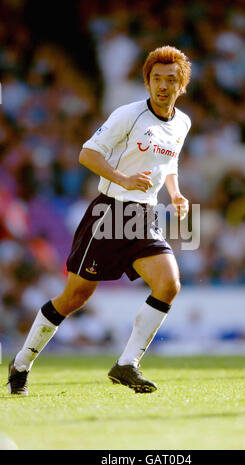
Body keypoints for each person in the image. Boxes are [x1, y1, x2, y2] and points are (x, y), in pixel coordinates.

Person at [7, 45, 192, 395]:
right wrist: (122, 179)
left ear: (181, 85)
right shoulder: (129, 115)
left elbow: (171, 162)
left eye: (171, 80)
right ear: (147, 82)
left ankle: (126, 364)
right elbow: (87, 154)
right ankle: (21, 362)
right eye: (156, 79)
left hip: (144, 215)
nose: (163, 86)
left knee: (168, 284)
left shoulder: (182, 122)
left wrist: (176, 192)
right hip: (110, 211)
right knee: (75, 297)